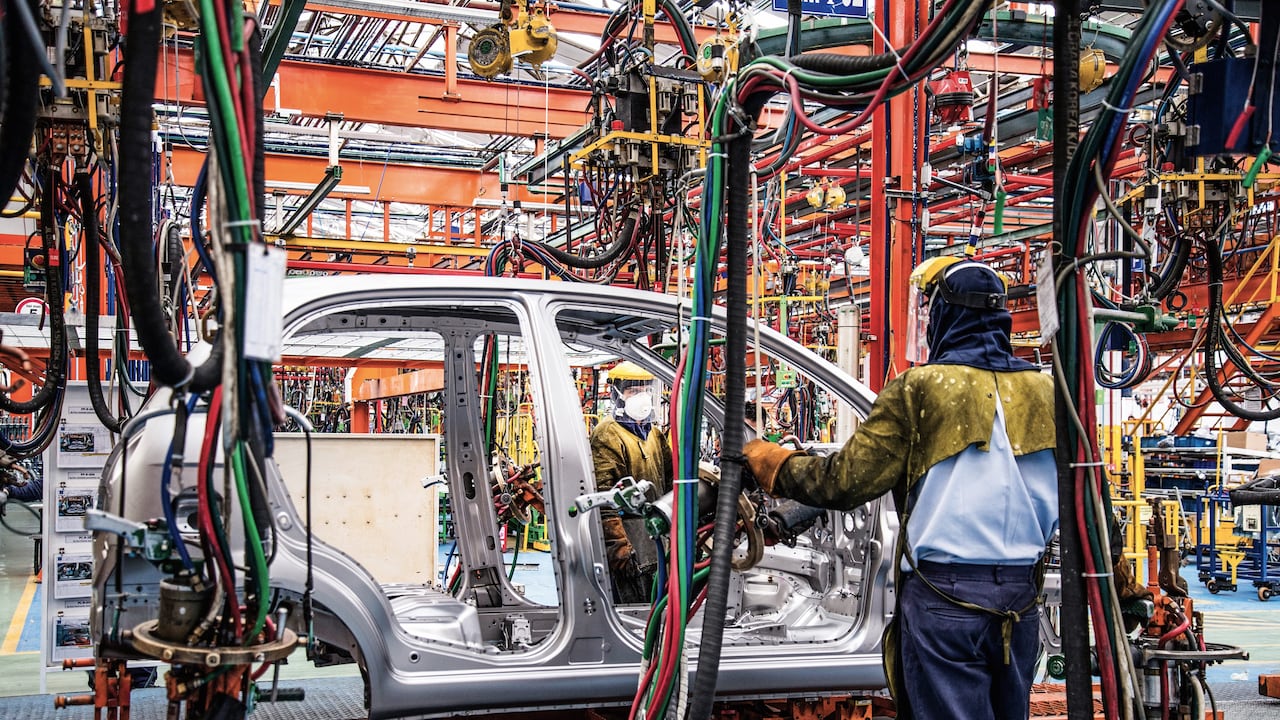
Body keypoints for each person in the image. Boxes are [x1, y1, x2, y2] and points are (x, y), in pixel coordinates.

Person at [743, 257, 1057, 720]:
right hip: (1021, 603)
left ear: (944, 318)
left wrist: (770, 462)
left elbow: (843, 482)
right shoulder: (1049, 391)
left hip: (945, 602)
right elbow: (1092, 507)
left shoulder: (923, 388)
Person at [591, 361, 672, 603]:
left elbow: (669, 483)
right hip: (630, 543)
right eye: (633, 391)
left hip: (657, 537)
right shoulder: (608, 434)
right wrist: (619, 548)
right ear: (618, 395)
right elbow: (604, 496)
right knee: (633, 610)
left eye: (646, 390)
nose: (642, 397)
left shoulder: (654, 434)